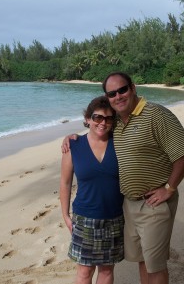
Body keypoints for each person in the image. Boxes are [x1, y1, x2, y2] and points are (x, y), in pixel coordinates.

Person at [62, 72, 184, 284]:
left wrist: (169, 188)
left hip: (153, 203)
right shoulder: (119, 123)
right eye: (112, 93)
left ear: (132, 88)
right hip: (128, 206)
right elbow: (98, 129)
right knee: (143, 261)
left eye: (122, 90)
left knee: (155, 266)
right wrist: (74, 137)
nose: (118, 96)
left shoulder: (155, 114)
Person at [60, 95, 124, 284]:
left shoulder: (120, 142)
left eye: (108, 118)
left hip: (114, 218)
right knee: (84, 272)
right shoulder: (73, 145)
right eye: (97, 117)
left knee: (106, 270)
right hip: (85, 217)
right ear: (88, 119)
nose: (103, 123)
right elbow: (65, 182)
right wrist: (65, 215)